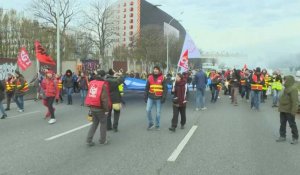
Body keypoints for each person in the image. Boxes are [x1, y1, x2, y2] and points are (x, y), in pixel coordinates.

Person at [86, 70, 111, 146]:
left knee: (94, 123)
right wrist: (107, 110)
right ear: (104, 76)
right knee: (103, 123)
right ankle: (102, 140)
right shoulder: (104, 84)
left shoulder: (92, 82)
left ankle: (89, 140)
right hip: (100, 107)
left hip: (92, 106)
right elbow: (104, 99)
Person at [276, 76, 299, 144]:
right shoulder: (285, 88)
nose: (284, 81)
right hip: (283, 109)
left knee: (292, 124)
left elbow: (295, 101)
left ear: (289, 80)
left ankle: (295, 138)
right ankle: (282, 136)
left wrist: (293, 111)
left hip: (289, 110)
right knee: (282, 123)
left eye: (285, 80)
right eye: (284, 80)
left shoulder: (293, 89)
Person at [144, 66, 168, 130]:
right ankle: (151, 123)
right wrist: (145, 96)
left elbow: (165, 89)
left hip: (159, 98)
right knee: (147, 110)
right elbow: (146, 88)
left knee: (158, 113)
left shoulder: (163, 78)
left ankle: (157, 125)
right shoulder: (150, 77)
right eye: (154, 69)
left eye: (157, 69)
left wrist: (164, 97)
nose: (155, 70)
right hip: (150, 97)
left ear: (159, 70)